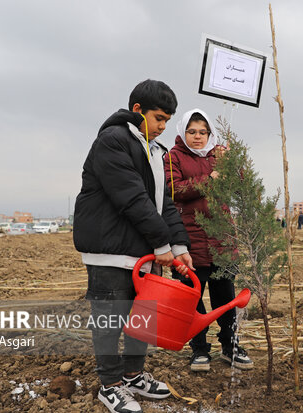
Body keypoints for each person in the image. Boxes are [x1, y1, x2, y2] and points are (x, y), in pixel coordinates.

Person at [74, 80, 194, 413]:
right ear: (137, 110)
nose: (163, 127)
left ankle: (133, 375)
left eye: (168, 121)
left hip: (140, 252)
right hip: (110, 249)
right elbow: (132, 199)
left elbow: (162, 203)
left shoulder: (155, 151)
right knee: (110, 318)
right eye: (158, 118)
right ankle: (109, 385)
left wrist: (179, 243)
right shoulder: (112, 142)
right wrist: (161, 242)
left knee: (143, 315)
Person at [165, 108, 253, 372]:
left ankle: (230, 345)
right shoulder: (173, 157)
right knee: (190, 298)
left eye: (203, 132)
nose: (198, 137)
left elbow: (239, 186)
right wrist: (211, 178)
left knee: (225, 297)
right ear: (183, 132)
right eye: (192, 132)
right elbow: (174, 190)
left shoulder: (218, 155)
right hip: (188, 240)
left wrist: (231, 165)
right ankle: (199, 349)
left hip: (221, 240)